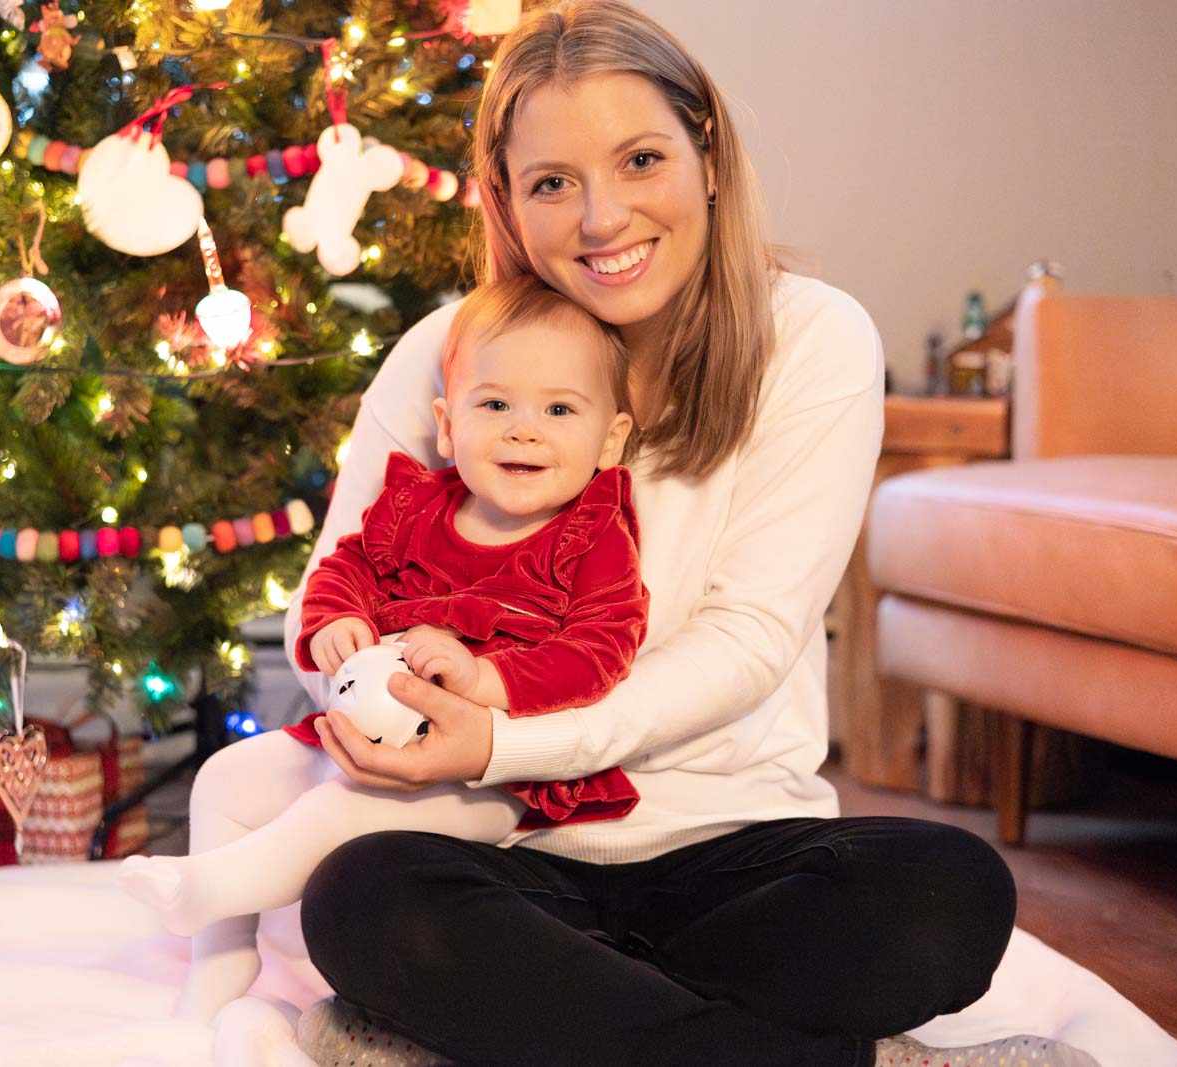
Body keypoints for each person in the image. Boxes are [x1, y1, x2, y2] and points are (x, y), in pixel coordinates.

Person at [209, 3, 1099, 1066]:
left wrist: (504, 735)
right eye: (551, 183)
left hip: (733, 849)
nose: (600, 218)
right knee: (366, 899)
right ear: (503, 201)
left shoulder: (813, 340)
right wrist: (365, 693)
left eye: (638, 160)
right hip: (497, 846)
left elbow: (747, 640)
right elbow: (331, 608)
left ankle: (506, 1030)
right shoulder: (447, 355)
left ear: (707, 154)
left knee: (944, 896)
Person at [125, 279, 650, 1046]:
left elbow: (601, 650)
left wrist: (484, 679)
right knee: (225, 778)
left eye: (560, 410)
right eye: (495, 405)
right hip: (364, 732)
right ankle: (218, 959)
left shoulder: (591, 536)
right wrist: (335, 618)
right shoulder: (416, 509)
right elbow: (344, 568)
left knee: (338, 813)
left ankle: (207, 889)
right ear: (446, 423)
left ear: (609, 439)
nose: (523, 432)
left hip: (494, 777)